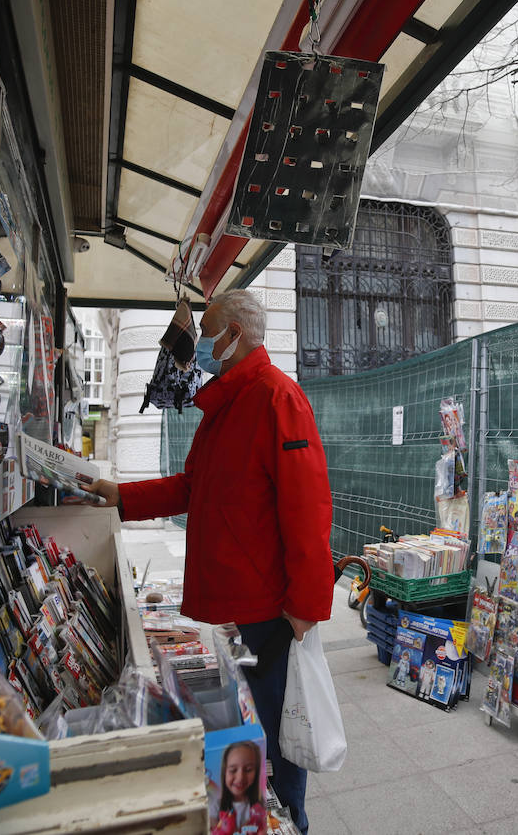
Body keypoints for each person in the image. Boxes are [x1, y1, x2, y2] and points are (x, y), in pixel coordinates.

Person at [82, 289, 332, 833]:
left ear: (236, 334)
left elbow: (308, 508)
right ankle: (257, 818)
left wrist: (307, 607)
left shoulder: (277, 399)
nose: (201, 345)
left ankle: (291, 819)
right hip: (237, 604)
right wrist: (121, 495)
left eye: (210, 331)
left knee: (277, 735)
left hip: (269, 609)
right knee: (249, 733)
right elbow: (191, 487)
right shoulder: (223, 407)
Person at [212, 741, 266, 835]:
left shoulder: (259, 804)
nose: (240, 777)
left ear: (256, 772)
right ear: (224, 772)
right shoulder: (216, 806)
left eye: (248, 770)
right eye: (233, 770)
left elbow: (262, 827)